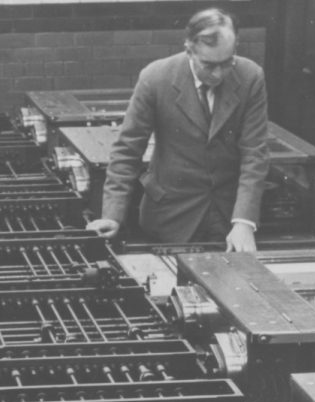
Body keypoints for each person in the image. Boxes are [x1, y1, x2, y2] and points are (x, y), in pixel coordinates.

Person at [87, 8, 269, 251]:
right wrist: (112, 215)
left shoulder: (250, 76)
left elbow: (254, 153)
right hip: (170, 215)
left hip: (228, 216)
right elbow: (127, 151)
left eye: (227, 63)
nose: (218, 74)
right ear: (189, 49)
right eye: (209, 65)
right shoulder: (156, 78)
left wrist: (244, 221)